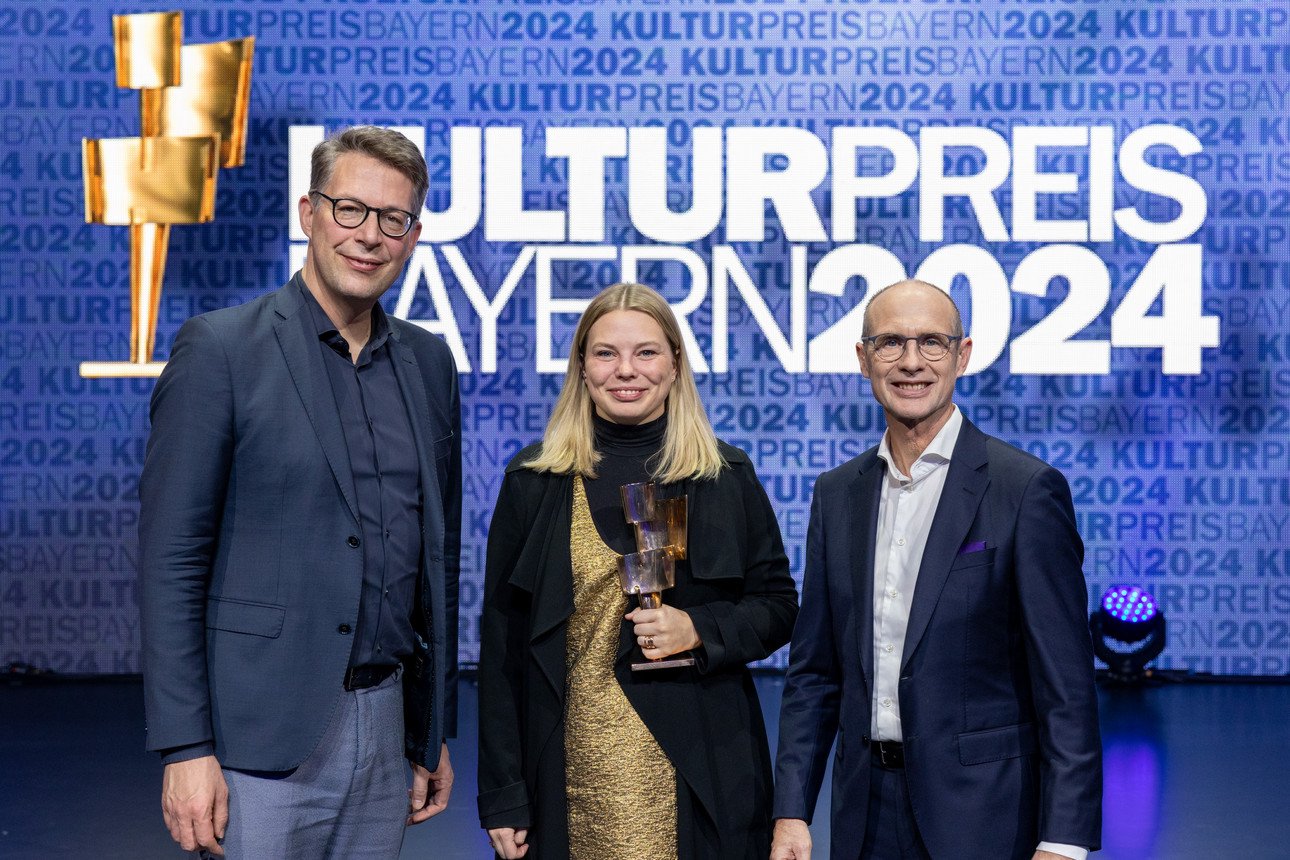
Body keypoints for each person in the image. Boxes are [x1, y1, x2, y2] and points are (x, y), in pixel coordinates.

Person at [139, 125, 461, 857]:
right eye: (349, 209)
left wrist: (431, 725)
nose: (369, 235)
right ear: (308, 212)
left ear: (413, 236)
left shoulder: (429, 362)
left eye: (393, 219)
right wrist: (185, 747)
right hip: (259, 734)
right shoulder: (220, 350)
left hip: (386, 729)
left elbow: (436, 562)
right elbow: (171, 562)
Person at [771, 279, 1101, 860]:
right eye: (890, 343)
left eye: (932, 343)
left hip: (984, 817)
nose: (911, 362)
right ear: (863, 358)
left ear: (962, 355)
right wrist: (793, 810)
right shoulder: (836, 493)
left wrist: (1065, 839)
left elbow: (1065, 687)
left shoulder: (1025, 490)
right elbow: (815, 673)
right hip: (863, 814)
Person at [477, 283, 798, 859]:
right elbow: (502, 648)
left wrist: (700, 629)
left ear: (675, 362)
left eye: (647, 352)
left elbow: (777, 606)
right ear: (581, 366)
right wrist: (503, 792)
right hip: (564, 770)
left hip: (702, 767)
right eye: (605, 353)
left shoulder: (724, 474)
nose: (626, 370)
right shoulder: (533, 479)